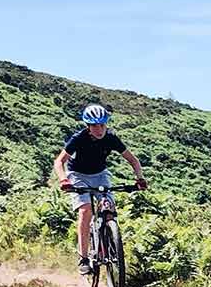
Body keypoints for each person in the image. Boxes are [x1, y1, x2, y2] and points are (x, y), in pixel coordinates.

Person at [53, 104, 146, 274]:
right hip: (78, 175)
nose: (99, 129)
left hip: (100, 174)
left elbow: (133, 160)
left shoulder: (111, 138)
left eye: (102, 124)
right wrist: (64, 180)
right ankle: (83, 257)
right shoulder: (79, 138)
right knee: (85, 211)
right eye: (95, 125)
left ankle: (109, 242)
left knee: (108, 208)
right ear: (88, 126)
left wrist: (140, 178)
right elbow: (59, 162)